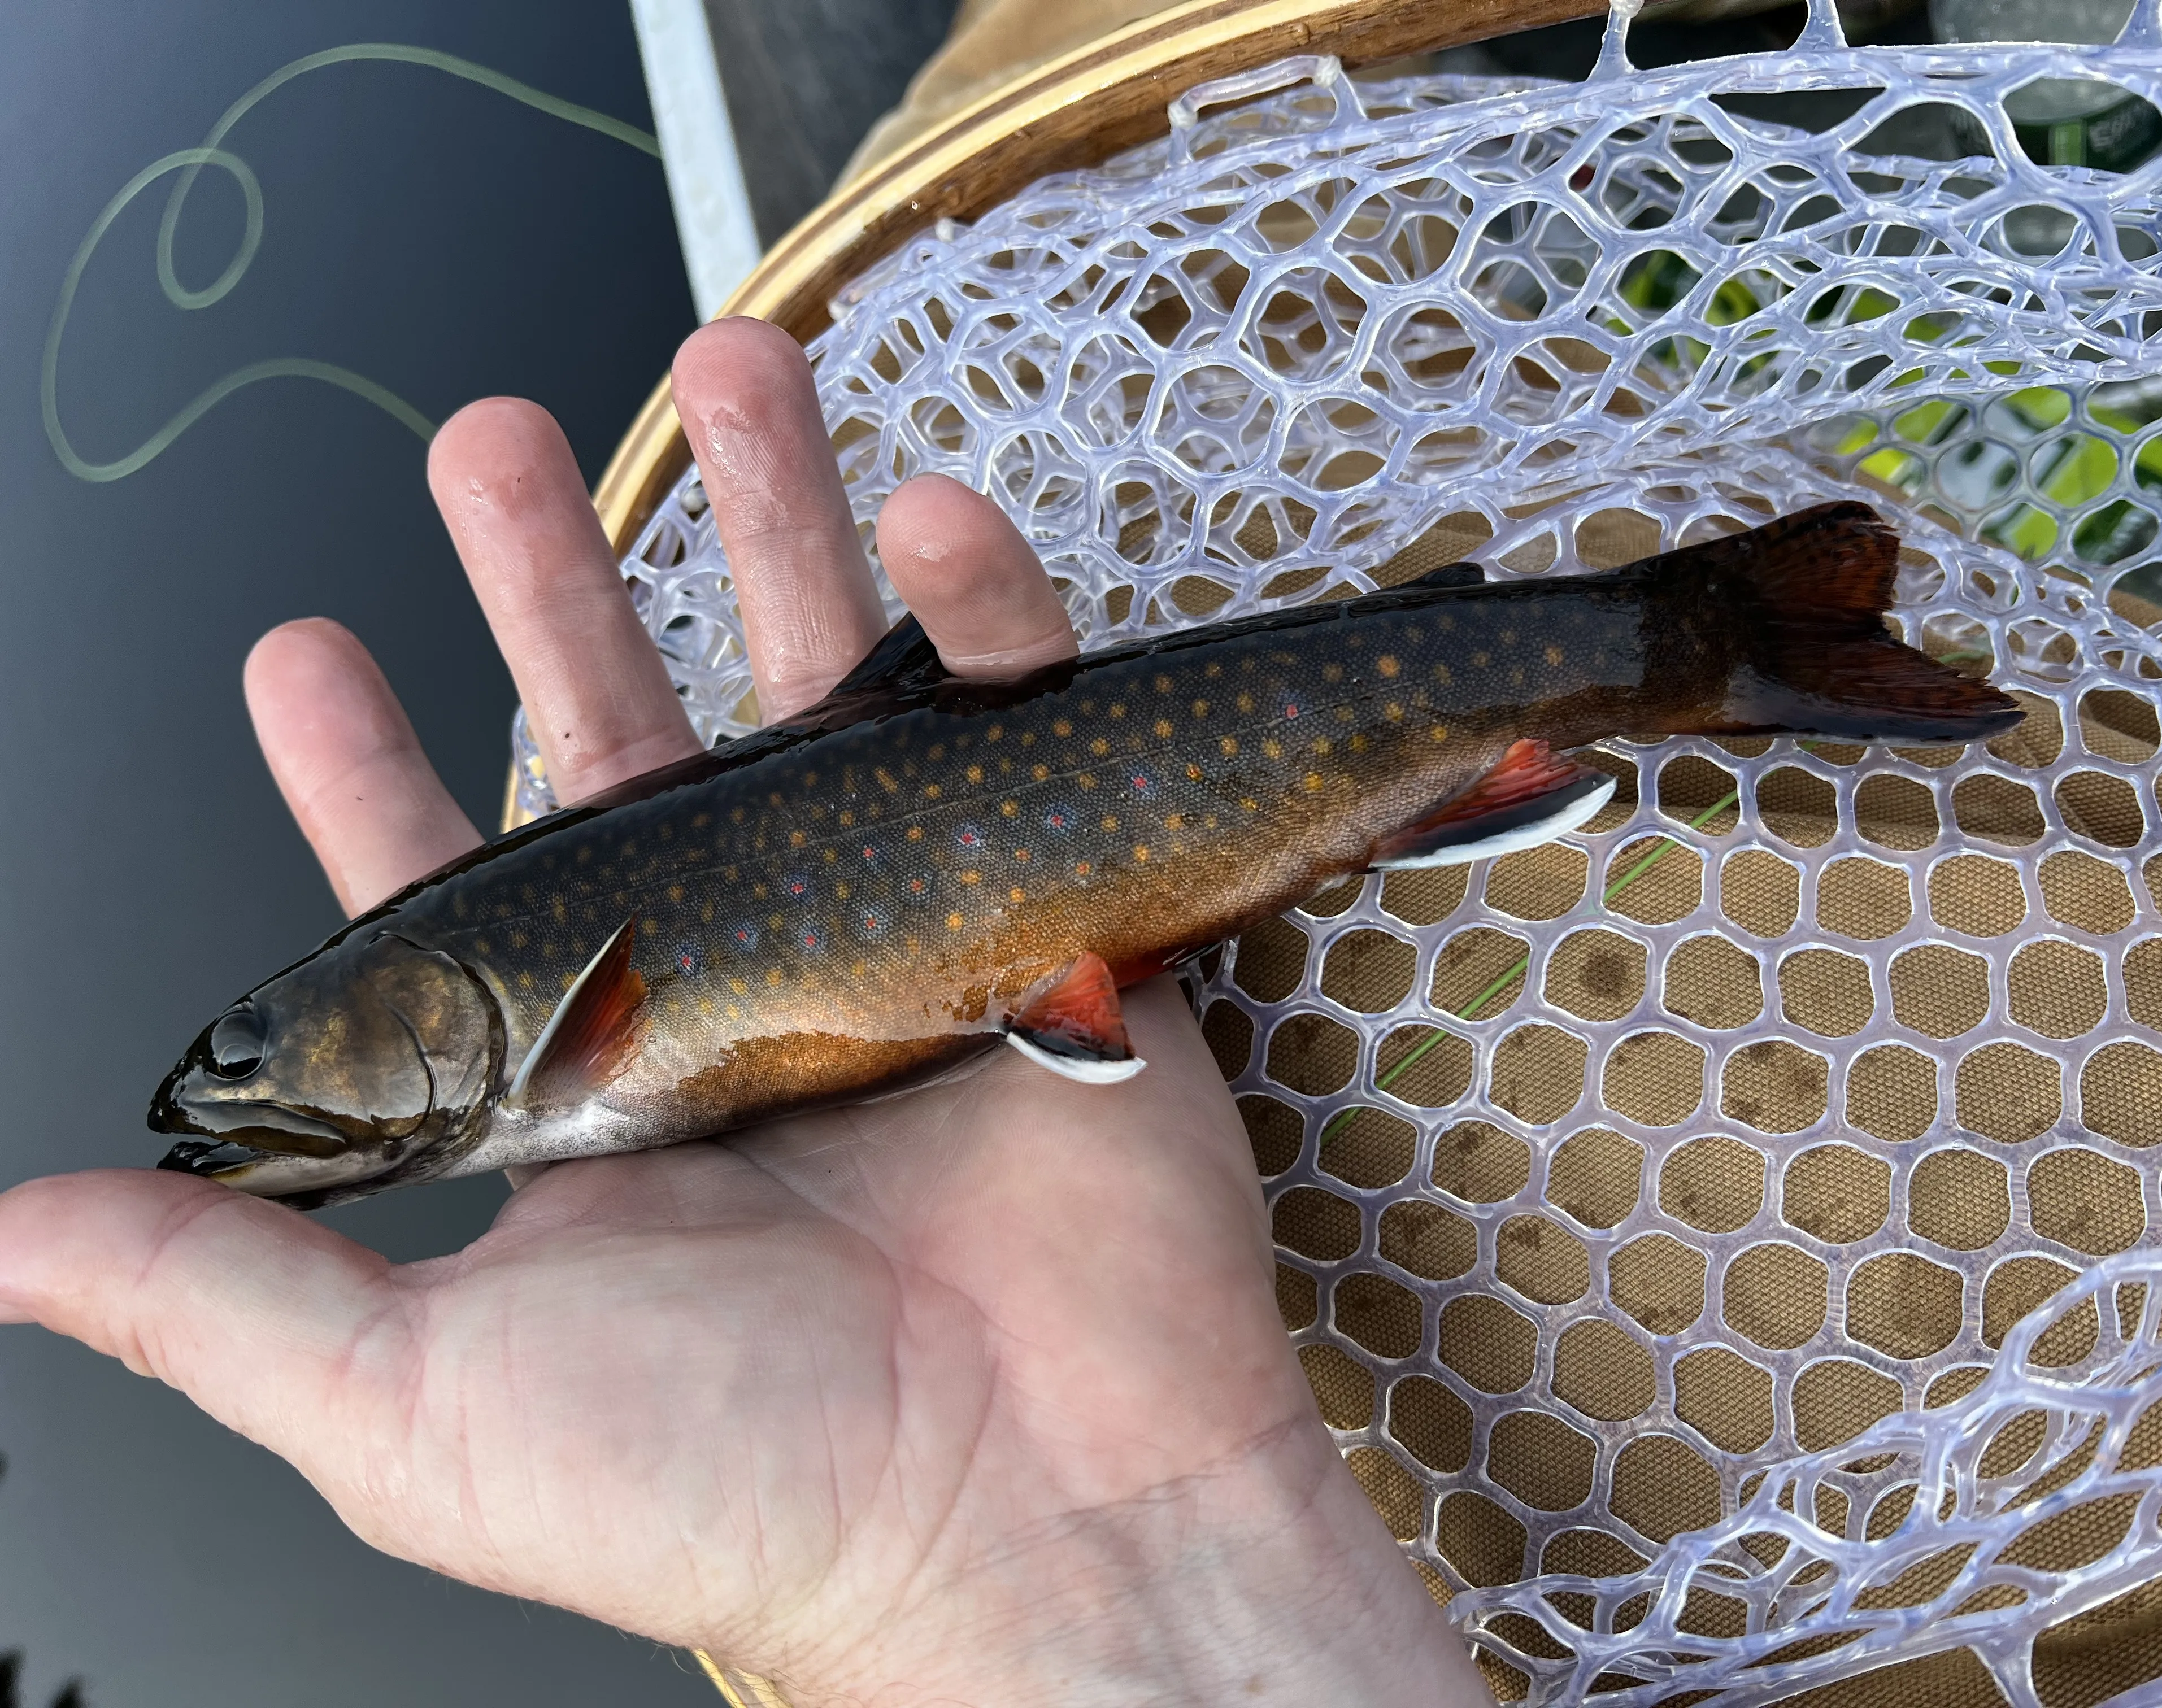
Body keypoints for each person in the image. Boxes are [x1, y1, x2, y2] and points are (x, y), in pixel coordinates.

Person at [0, 319, 1492, 1707]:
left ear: (402, 1004)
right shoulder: (522, 1027)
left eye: (256, 1054)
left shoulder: (559, 1048)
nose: (239, 1091)